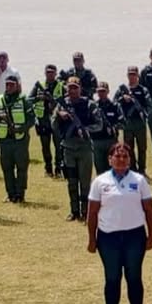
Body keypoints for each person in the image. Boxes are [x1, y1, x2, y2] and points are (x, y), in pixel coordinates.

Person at [86, 143, 152, 304]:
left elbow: (149, 210)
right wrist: (91, 239)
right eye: (117, 156)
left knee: (134, 277)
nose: (121, 159)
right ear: (110, 159)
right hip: (108, 237)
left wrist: (151, 235)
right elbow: (92, 212)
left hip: (134, 236)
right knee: (112, 278)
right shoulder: (100, 181)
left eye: (125, 156)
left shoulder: (139, 181)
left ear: (130, 160)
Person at [56, 77, 103, 222]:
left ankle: (85, 211)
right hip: (68, 148)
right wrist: (59, 115)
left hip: (84, 148)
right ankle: (74, 211)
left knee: (85, 182)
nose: (72, 91)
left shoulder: (89, 104)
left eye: (75, 88)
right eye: (70, 88)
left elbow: (99, 124)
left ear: (80, 88)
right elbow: (54, 125)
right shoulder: (62, 104)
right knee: (71, 181)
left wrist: (86, 130)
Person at [0, 74, 35, 202]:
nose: (9, 87)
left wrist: (20, 128)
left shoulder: (24, 100)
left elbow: (31, 119)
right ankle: (10, 194)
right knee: (7, 167)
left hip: (20, 140)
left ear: (17, 86)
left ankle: (20, 194)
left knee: (21, 167)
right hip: (4, 140)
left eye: (12, 85)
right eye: (7, 85)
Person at [114, 66, 152, 175]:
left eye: (134, 74)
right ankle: (132, 169)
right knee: (128, 148)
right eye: (130, 74)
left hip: (140, 123)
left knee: (142, 148)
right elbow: (114, 103)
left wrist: (143, 114)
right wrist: (122, 99)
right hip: (128, 123)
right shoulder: (122, 90)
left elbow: (149, 106)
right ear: (127, 75)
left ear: (137, 75)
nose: (132, 77)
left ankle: (142, 170)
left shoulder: (143, 90)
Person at [30, 64, 64, 177]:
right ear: (45, 73)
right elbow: (29, 100)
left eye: (52, 72)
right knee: (45, 146)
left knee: (59, 146)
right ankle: (48, 169)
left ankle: (58, 169)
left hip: (57, 120)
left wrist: (54, 101)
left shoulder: (60, 86)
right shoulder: (39, 85)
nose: (50, 74)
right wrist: (39, 98)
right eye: (48, 72)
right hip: (43, 120)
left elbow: (66, 101)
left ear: (56, 73)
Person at [90, 82, 123, 176]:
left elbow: (123, 122)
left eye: (103, 91)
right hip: (97, 142)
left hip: (111, 141)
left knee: (113, 168)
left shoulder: (115, 106)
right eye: (99, 91)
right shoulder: (93, 106)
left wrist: (114, 127)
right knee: (100, 169)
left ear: (108, 91)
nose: (101, 93)